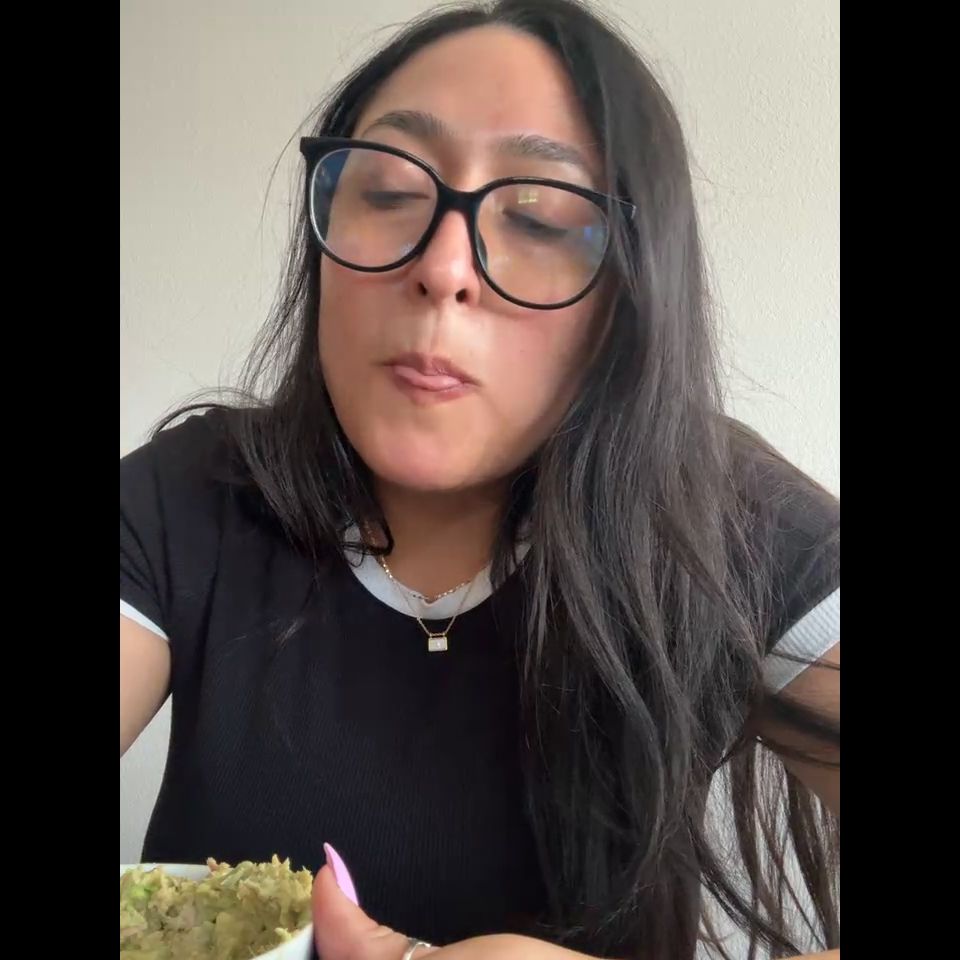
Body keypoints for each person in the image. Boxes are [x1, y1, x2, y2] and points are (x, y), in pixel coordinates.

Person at [119, 2, 840, 958]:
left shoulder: (726, 518)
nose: (442, 265)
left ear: (631, 293)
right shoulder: (195, 490)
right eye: (387, 190)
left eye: (540, 216)